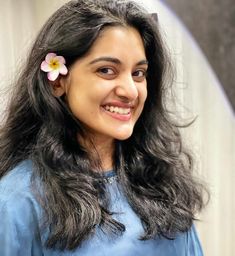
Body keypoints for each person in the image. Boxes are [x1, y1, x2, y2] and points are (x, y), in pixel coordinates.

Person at [0, 0, 207, 255]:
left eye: (138, 73)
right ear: (57, 82)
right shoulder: (18, 202)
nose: (130, 91)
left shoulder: (161, 179)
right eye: (107, 70)